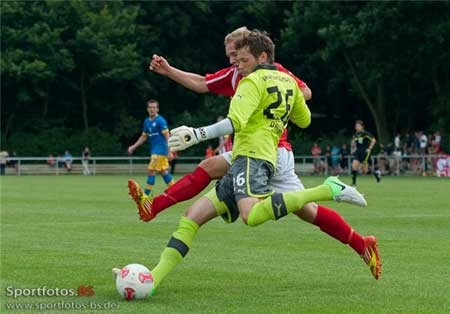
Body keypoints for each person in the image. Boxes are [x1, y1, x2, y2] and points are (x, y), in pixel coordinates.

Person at [118, 31, 379, 294]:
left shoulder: (256, 79)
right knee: (199, 214)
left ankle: (329, 189)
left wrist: (197, 134)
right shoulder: (247, 75)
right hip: (255, 152)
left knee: (253, 213)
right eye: (231, 56)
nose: (234, 62)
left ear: (258, 55)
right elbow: (304, 118)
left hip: (263, 153)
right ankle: (152, 276)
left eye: (238, 56)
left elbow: (249, 115)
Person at [128, 99, 174, 196]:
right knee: (163, 172)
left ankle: (146, 196)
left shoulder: (160, 121)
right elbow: (144, 136)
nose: (152, 109)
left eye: (154, 107)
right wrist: (134, 146)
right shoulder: (147, 121)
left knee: (151, 170)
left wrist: (170, 150)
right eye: (150, 107)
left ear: (157, 109)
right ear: (147, 109)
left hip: (160, 151)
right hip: (155, 151)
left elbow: (167, 135)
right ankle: (176, 192)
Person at [350, 120, 380, 185]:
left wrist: (369, 148)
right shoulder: (355, 135)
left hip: (365, 152)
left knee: (365, 171)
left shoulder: (365, 133)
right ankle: (354, 184)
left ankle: (376, 174)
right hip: (358, 152)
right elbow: (354, 143)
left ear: (362, 127)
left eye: (358, 126)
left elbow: (373, 140)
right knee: (354, 166)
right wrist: (353, 149)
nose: (357, 127)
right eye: (356, 126)